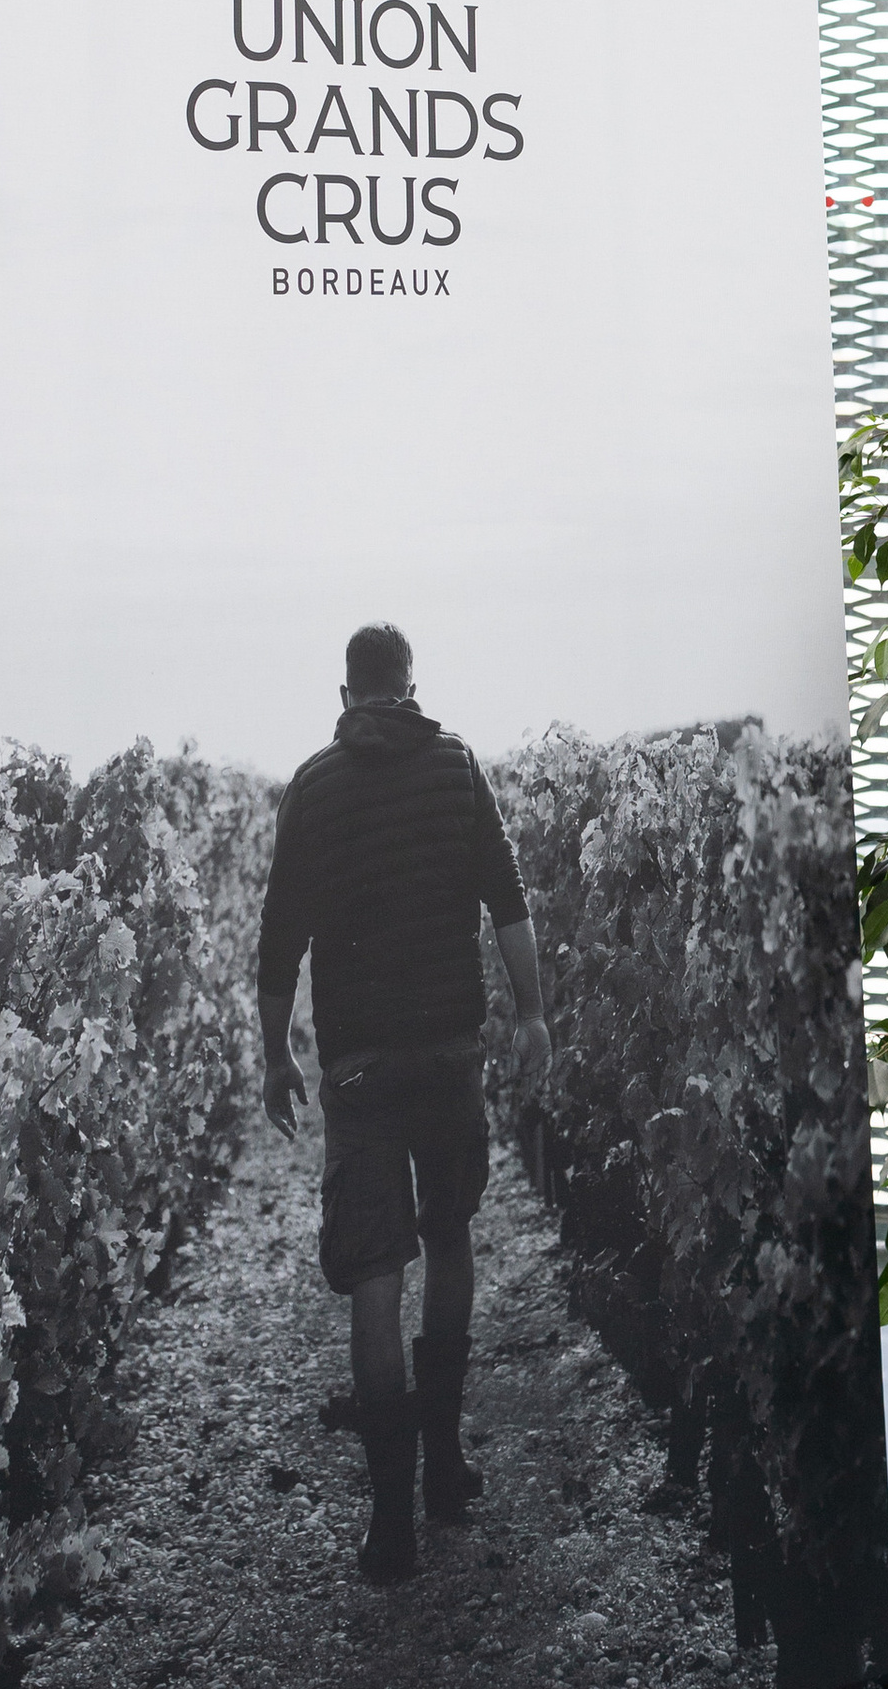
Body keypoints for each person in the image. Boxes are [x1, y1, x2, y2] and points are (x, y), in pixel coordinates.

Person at [256, 621, 551, 1584]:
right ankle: (446, 1465)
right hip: (450, 1052)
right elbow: (509, 900)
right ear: (411, 686)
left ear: (346, 696)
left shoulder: (312, 786)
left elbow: (278, 939)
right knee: (450, 1238)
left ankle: (391, 1526)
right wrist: (532, 1014)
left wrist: (274, 1055)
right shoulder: (457, 765)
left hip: (359, 1068)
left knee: (376, 1275)